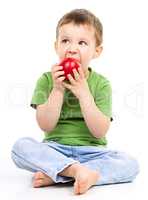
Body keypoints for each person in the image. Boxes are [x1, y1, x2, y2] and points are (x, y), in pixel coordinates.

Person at [11, 9, 139, 195]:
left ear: (97, 51)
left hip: (92, 152)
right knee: (20, 147)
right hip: (55, 149)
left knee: (131, 164)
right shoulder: (47, 80)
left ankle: (59, 173)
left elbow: (99, 131)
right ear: (56, 46)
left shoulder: (101, 84)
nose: (72, 48)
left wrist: (84, 94)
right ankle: (76, 171)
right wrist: (57, 89)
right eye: (65, 41)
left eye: (82, 43)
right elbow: (45, 125)